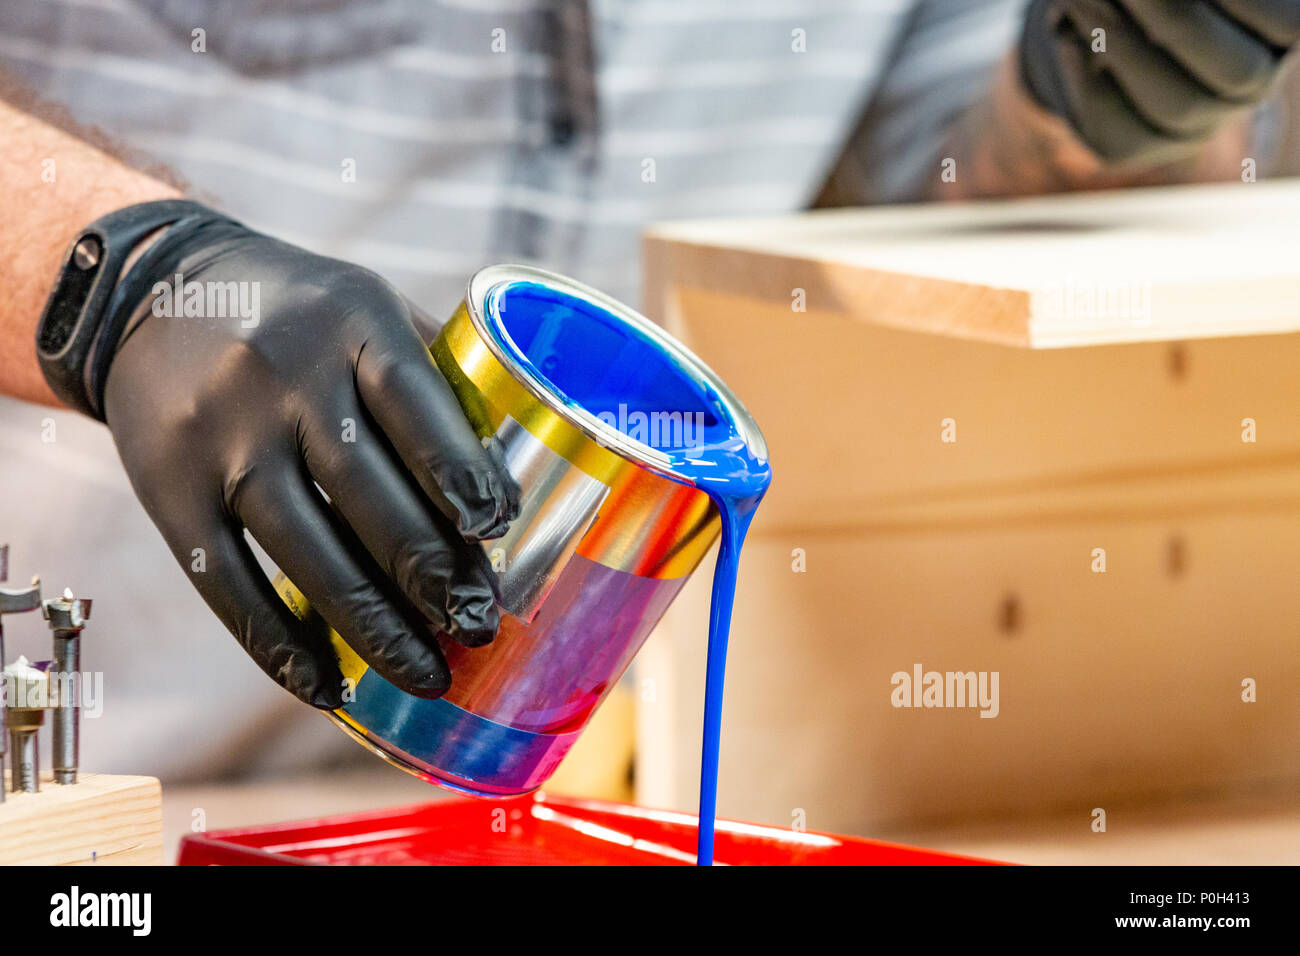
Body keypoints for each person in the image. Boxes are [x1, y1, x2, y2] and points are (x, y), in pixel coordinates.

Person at [0, 0, 1295, 780]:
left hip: (557, 770)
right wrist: (117, 282)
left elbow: (932, 191)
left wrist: (1118, 104)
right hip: (77, 773)